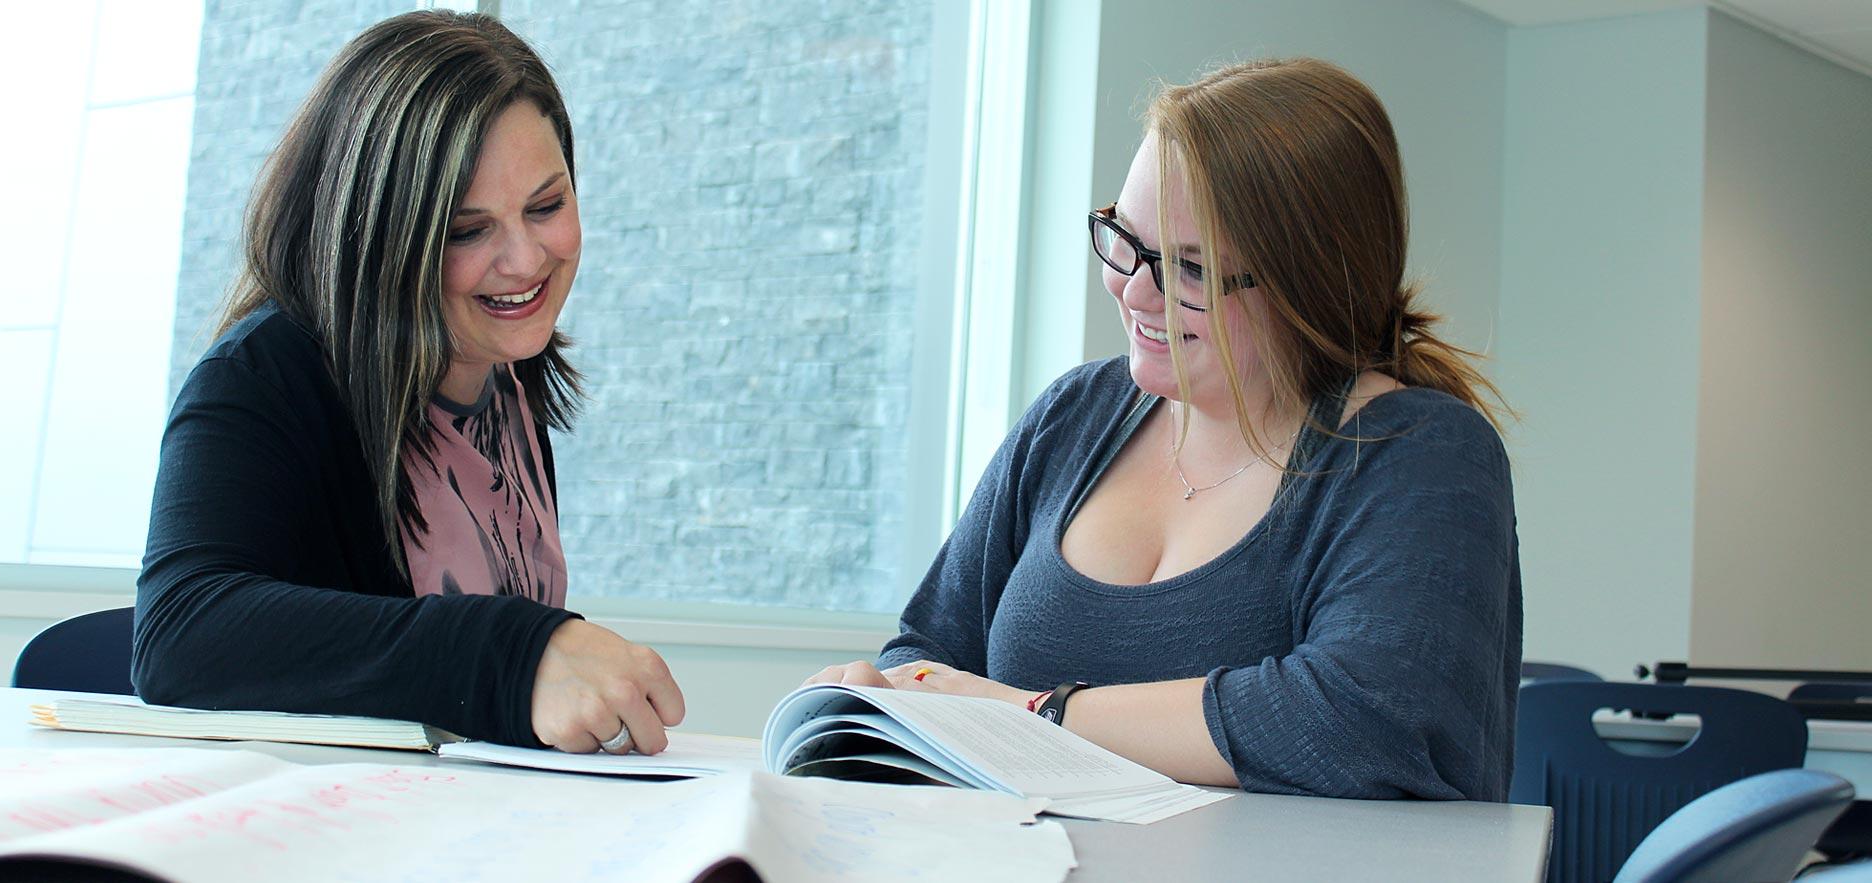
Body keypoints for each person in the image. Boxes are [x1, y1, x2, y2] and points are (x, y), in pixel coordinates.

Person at [808, 58, 1522, 801]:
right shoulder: (1071, 417)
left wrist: (1033, 712)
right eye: (1125, 237)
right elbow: (931, 655)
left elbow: (1368, 721)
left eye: (1190, 269)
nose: (1133, 289)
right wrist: (882, 698)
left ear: (1310, 280)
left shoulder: (1419, 452)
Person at [134, 10, 684, 756]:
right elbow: (180, 634)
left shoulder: (505, 377)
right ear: (384, 235)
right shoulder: (266, 375)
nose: (525, 260)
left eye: (546, 206)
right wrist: (511, 655)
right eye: (467, 229)